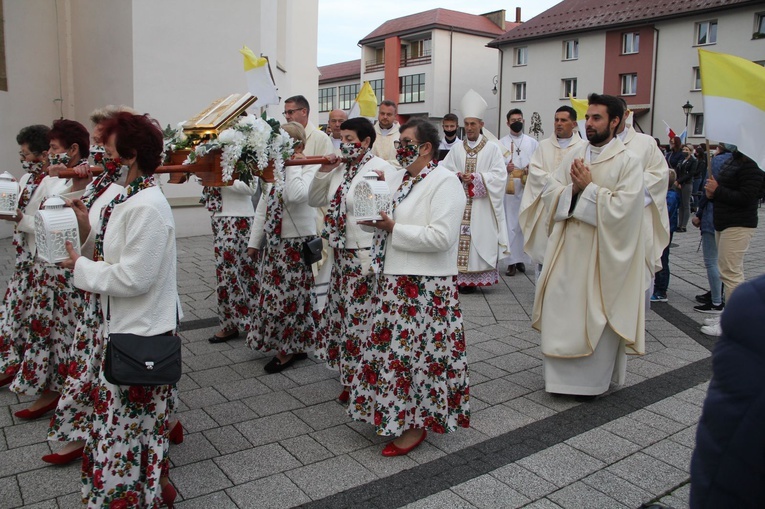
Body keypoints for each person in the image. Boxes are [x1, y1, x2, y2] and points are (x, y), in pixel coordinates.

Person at [48, 107, 184, 465]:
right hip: (122, 321)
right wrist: (84, 231)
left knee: (130, 428)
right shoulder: (128, 196)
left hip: (140, 326)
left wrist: (81, 267)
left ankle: (143, 485)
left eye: (108, 154)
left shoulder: (146, 206)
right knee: (133, 424)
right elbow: (114, 254)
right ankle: (153, 482)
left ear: (132, 155)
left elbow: (133, 277)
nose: (102, 162)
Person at [351, 118, 468, 456]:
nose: (398, 145)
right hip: (396, 281)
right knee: (394, 358)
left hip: (426, 288)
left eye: (404, 140)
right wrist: (371, 213)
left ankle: (416, 424)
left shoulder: (445, 182)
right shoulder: (401, 177)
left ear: (426, 147)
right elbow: (380, 222)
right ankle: (395, 415)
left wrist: (392, 227)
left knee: (419, 359)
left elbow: (442, 238)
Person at [528, 94, 645, 398]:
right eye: (588, 118)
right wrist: (574, 192)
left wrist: (589, 190)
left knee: (595, 312)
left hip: (601, 255)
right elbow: (551, 190)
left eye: (597, 118)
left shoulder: (628, 161)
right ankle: (558, 381)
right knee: (559, 307)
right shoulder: (576, 154)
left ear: (615, 121)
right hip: (566, 250)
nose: (589, 124)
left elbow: (626, 212)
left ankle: (591, 383)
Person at [0, 120, 91, 420]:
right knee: (44, 332)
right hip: (44, 264)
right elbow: (38, 216)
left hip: (67, 266)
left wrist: (18, 218)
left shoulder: (87, 176)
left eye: (53, 148)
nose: (48, 155)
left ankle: (65, 392)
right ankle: (47, 387)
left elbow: (63, 220)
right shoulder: (50, 178)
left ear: (74, 149)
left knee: (67, 333)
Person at [309, 117, 395, 402]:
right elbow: (314, 199)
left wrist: (374, 190)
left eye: (350, 139)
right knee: (342, 316)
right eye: (341, 138)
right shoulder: (340, 169)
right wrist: (325, 169)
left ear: (366, 141)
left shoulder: (379, 168)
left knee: (360, 319)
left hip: (363, 258)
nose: (344, 144)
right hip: (339, 256)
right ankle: (348, 374)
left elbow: (374, 220)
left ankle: (361, 379)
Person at [246, 122, 319, 373]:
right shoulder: (275, 169)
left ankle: (288, 350)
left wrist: (296, 165)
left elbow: (296, 195)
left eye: (282, 145)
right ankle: (291, 344)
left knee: (292, 299)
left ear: (297, 145)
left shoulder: (310, 166)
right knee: (276, 298)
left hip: (297, 244)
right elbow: (263, 208)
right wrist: (254, 243)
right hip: (276, 244)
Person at [690, 274, 765, 507]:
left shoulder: (754, 307)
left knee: (729, 270)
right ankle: (717, 301)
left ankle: (718, 302)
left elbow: (732, 449)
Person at [439, 89, 509, 293]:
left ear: (481, 125)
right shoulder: (457, 149)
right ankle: (459, 278)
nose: (469, 128)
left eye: (473, 124)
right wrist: (458, 176)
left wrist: (478, 178)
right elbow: (445, 169)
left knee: (480, 238)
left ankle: (476, 277)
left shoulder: (492, 149)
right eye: (467, 124)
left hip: (481, 205)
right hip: (461, 204)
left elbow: (499, 176)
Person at [0, 125, 50, 390]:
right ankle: (11, 361)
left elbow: (49, 223)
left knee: (32, 315)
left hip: (41, 259)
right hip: (23, 258)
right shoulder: (25, 180)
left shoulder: (53, 182)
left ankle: (24, 366)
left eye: (25, 153)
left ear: (43, 155)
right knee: (13, 310)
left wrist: (22, 219)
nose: (22, 159)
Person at [700, 146, 764, 336]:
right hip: (725, 222)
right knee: (728, 271)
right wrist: (713, 194)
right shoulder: (735, 159)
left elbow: (747, 197)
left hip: (738, 224)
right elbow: (726, 189)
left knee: (731, 273)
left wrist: (717, 191)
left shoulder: (752, 164)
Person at [614, 99, 670, 304]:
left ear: (626, 115)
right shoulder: (596, 144)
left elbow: (659, 177)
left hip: (636, 219)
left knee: (637, 284)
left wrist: (623, 191)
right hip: (605, 220)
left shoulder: (645, 143)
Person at [519, 106, 585, 273]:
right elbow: (535, 172)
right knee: (544, 253)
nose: (558, 124)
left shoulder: (583, 147)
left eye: (563, 120)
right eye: (556, 120)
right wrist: (557, 184)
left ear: (574, 123)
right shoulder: (543, 146)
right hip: (547, 206)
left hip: (573, 207)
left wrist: (566, 188)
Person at [201, 161, 258, 344]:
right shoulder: (214, 155)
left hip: (240, 218)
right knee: (225, 274)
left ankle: (253, 321)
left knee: (246, 273)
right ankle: (229, 323)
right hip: (220, 216)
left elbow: (250, 187)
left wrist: (221, 179)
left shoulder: (246, 155)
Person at [692, 145, 732, 314]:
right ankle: (717, 295)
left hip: (712, 216)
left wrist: (699, 213)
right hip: (730, 218)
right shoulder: (740, 163)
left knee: (712, 261)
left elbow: (708, 191)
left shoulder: (718, 161)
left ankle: (716, 301)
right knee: (724, 263)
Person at [499, 109, 538, 276]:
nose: (517, 122)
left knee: (524, 222)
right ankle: (511, 262)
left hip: (526, 184)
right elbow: (495, 166)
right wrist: (504, 168)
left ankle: (521, 259)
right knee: (511, 223)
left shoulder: (532, 142)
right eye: (513, 119)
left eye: (520, 119)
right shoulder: (500, 144)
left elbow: (538, 161)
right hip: (509, 187)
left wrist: (532, 168)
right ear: (508, 123)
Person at [651, 170, 680, 303]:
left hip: (666, 230)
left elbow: (664, 211)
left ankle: (661, 290)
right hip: (660, 229)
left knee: (663, 259)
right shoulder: (667, 194)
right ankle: (656, 286)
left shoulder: (670, 196)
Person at [675, 144, 699, 232]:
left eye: (687, 150)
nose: (684, 151)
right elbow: (678, 170)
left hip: (687, 183)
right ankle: (679, 224)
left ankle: (684, 225)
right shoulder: (681, 160)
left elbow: (691, 173)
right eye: (684, 149)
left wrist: (680, 181)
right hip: (679, 184)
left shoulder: (693, 161)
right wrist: (677, 181)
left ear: (691, 151)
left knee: (686, 204)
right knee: (680, 205)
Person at [372, 100, 400, 165]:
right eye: (382, 113)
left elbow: (403, 160)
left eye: (389, 114)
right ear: (378, 113)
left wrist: (384, 165)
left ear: (395, 116)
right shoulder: (370, 133)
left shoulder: (401, 134)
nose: (385, 117)